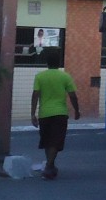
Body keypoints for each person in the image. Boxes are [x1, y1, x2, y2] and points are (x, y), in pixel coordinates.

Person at [30, 47, 80, 180]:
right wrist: (76, 110)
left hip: (44, 114)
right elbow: (73, 96)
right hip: (60, 113)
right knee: (55, 141)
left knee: (47, 141)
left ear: (47, 63)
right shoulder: (65, 76)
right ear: (59, 63)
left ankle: (50, 166)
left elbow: (35, 95)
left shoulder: (40, 76)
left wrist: (32, 114)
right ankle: (49, 166)